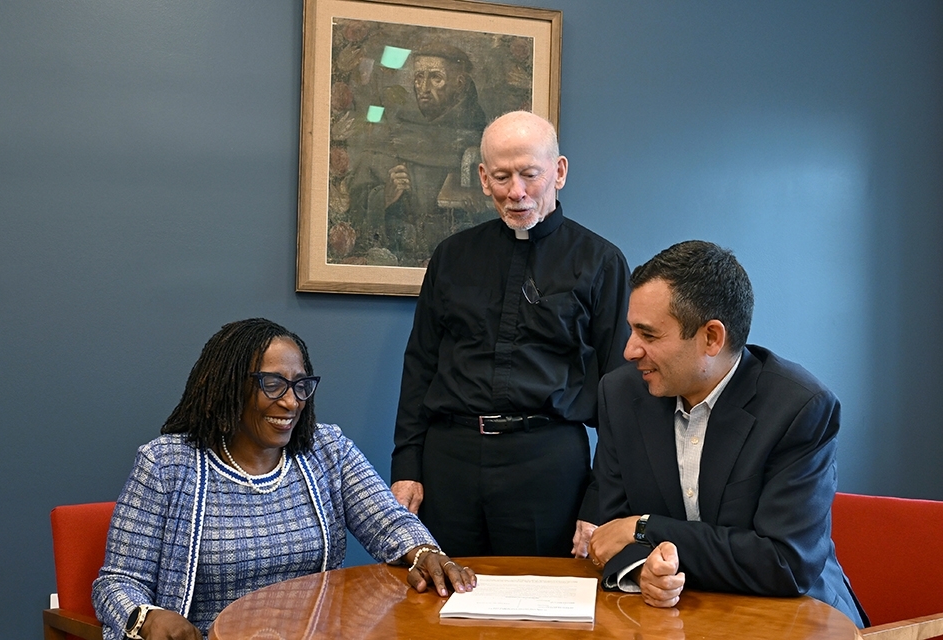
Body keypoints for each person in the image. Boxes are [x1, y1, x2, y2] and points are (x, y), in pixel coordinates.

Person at [92, 318, 475, 640]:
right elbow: (116, 583)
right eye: (272, 384)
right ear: (230, 385)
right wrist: (147, 618)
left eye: (300, 385)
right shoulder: (166, 464)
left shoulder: (327, 449)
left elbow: (389, 521)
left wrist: (424, 553)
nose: (291, 402)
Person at [588, 240, 868, 628]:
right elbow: (611, 532)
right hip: (677, 617)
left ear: (711, 338)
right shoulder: (621, 395)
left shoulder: (799, 408)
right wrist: (643, 569)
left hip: (794, 619)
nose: (630, 351)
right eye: (631, 331)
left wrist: (647, 528)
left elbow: (784, 564)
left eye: (648, 335)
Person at [390, 110, 631, 558]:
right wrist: (407, 465)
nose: (516, 192)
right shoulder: (452, 256)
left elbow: (621, 390)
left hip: (548, 464)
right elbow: (420, 365)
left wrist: (602, 498)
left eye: (529, 175)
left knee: (541, 598)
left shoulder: (601, 262)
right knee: (442, 593)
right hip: (450, 462)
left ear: (559, 172)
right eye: (502, 177)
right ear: (484, 179)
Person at [346, 43, 492, 266]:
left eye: (436, 78)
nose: (423, 88)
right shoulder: (395, 136)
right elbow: (354, 213)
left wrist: (480, 213)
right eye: (418, 78)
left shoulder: (482, 142)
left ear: (459, 84)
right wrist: (384, 197)